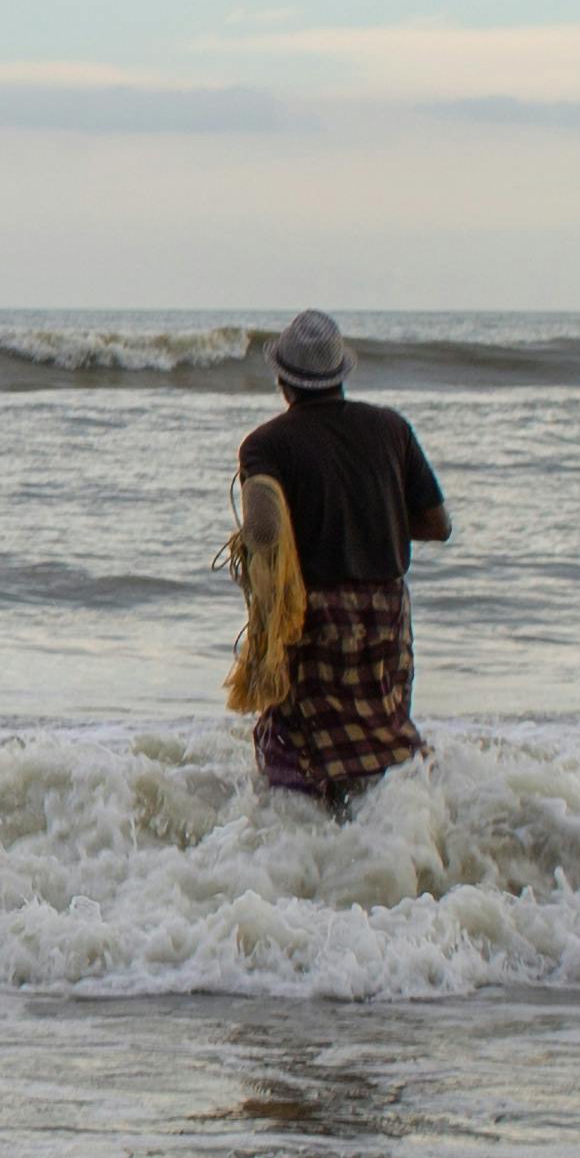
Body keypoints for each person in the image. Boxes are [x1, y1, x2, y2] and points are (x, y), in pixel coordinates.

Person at [236, 306, 446, 800]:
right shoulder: (393, 430)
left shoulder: (264, 445)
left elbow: (264, 532)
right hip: (386, 614)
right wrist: (377, 521)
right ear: (340, 376)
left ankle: (307, 850)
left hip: (313, 613)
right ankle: (405, 827)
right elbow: (438, 525)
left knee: (298, 740)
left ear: (283, 381)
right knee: (383, 727)